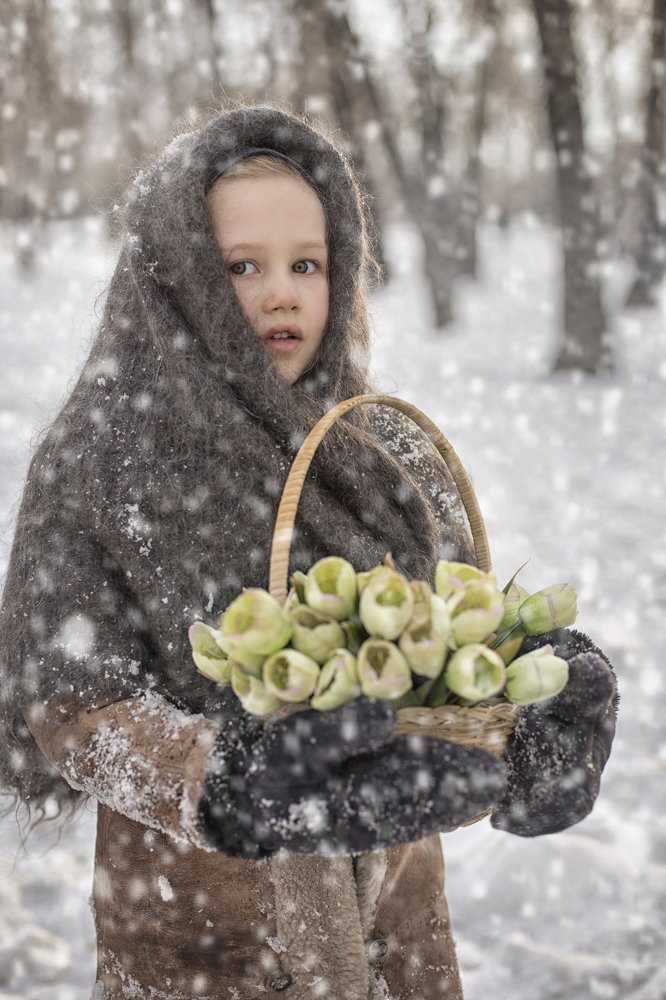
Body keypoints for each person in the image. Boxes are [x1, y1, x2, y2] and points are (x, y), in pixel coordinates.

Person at [0, 105, 617, 1000]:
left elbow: (447, 674)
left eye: (307, 264)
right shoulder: (106, 457)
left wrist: (528, 725)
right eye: (240, 266)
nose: (281, 292)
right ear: (175, 279)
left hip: (395, 949)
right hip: (204, 953)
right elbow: (74, 709)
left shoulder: (382, 454)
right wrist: (221, 777)